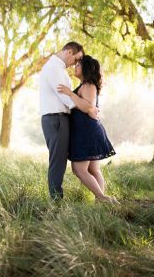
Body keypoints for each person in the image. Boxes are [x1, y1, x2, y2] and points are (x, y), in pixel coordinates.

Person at [57, 55, 117, 203]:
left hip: (87, 132)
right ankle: (101, 200)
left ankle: (103, 197)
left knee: (79, 170)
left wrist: (70, 94)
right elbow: (89, 108)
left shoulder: (89, 85)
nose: (75, 67)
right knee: (92, 169)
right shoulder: (85, 85)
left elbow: (88, 107)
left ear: (86, 68)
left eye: (78, 65)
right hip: (85, 131)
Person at [38, 41, 84, 200]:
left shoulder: (57, 68)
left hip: (58, 119)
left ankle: (56, 198)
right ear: (69, 52)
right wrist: (87, 108)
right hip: (56, 119)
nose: (76, 63)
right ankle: (57, 201)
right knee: (58, 161)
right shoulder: (53, 68)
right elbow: (66, 98)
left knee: (60, 160)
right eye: (76, 59)